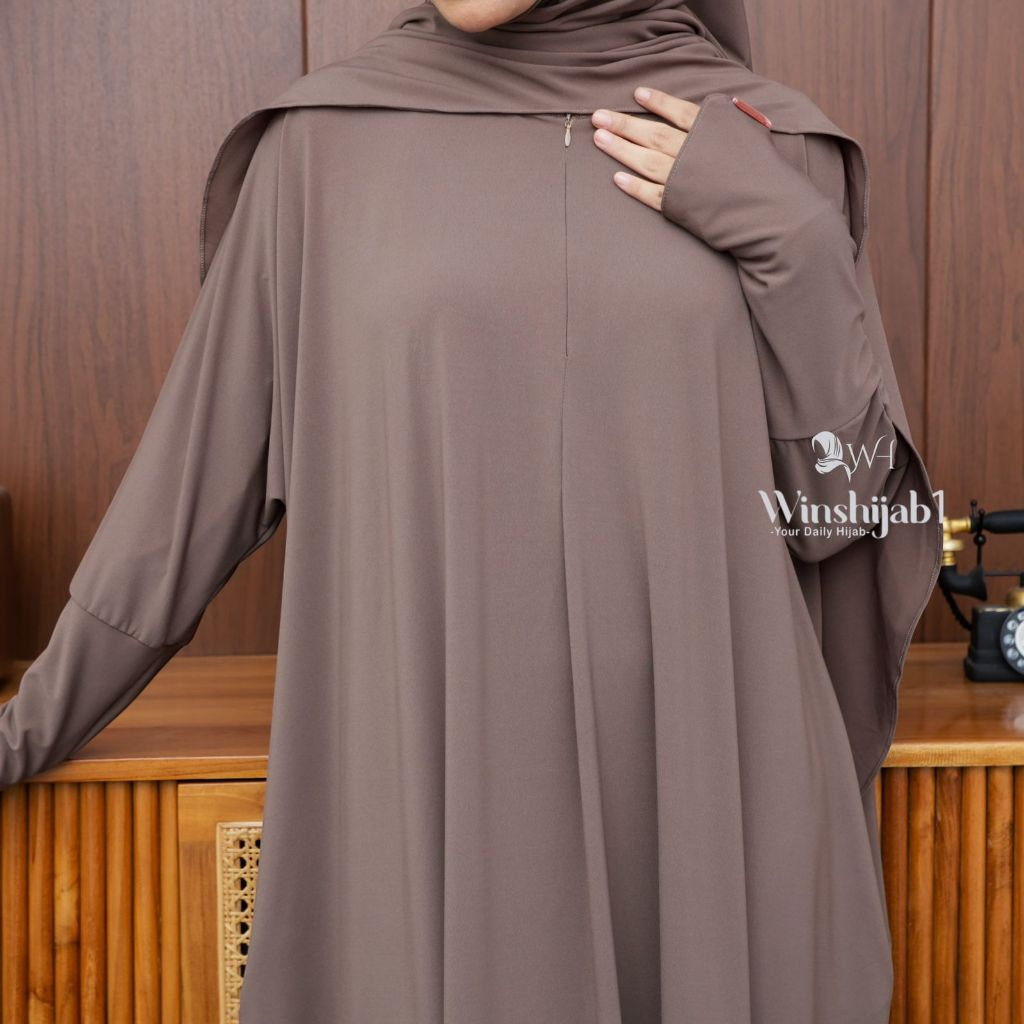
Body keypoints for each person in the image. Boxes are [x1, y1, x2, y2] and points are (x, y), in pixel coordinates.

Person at [1, 1, 943, 1021]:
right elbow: (184, 500)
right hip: (438, 809)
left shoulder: (771, 143)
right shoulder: (321, 150)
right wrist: (21, 731)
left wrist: (797, 243)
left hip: (708, 812)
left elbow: (841, 509)